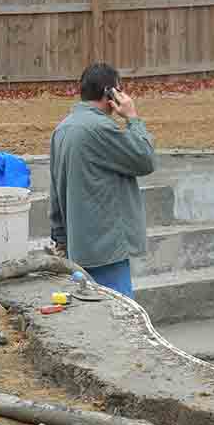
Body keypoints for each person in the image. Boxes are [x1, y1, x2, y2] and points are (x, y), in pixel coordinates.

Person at [47, 62, 156, 298]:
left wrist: (61, 238)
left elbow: (55, 189)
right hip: (106, 248)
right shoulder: (100, 128)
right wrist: (133, 118)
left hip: (79, 247)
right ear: (110, 93)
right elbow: (145, 159)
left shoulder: (62, 129)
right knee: (120, 317)